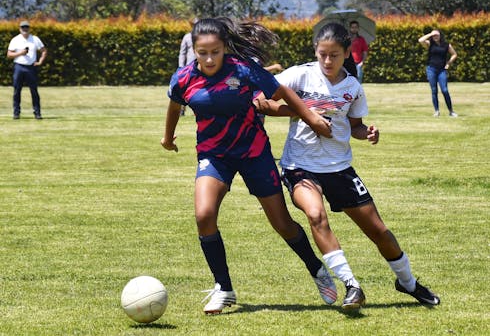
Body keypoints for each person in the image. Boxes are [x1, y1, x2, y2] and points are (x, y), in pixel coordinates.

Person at [255, 22, 440, 307]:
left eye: (334, 55)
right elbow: (263, 100)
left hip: (340, 168)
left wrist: (367, 133)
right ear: (315, 51)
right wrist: (307, 113)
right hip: (299, 166)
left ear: (346, 53)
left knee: (379, 231)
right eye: (322, 54)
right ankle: (351, 285)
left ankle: (408, 283)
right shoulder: (300, 75)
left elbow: (355, 126)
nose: (327, 61)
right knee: (315, 215)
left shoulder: (352, 87)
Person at [161, 17, 337, 314]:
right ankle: (224, 288)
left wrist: (311, 117)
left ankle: (316, 268)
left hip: (254, 153)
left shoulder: (243, 70)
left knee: (282, 224)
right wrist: (167, 138)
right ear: (194, 50)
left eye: (215, 51)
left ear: (224, 47)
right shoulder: (183, 78)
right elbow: (175, 106)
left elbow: (283, 94)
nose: (208, 58)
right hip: (214, 156)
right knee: (204, 215)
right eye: (202, 52)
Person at [7, 20, 47, 120]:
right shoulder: (15, 40)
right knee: (17, 91)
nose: (25, 29)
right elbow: (9, 54)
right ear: (20, 29)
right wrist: (20, 53)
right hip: (19, 67)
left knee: (34, 91)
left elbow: (44, 51)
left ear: (29, 29)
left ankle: (37, 113)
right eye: (23, 27)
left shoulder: (35, 39)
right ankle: (16, 113)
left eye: (26, 27)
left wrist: (40, 61)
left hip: (31, 67)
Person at [418, 29, 458, 117]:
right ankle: (436, 111)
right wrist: (430, 34)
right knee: (434, 90)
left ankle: (451, 111)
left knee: (445, 90)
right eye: (434, 36)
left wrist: (448, 63)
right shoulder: (429, 44)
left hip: (441, 70)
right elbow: (420, 40)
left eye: (437, 35)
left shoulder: (446, 45)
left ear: (440, 36)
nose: (435, 37)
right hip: (431, 69)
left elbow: (454, 54)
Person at [177, 18, 199, 116]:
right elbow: (182, 53)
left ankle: (198, 110)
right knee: (184, 89)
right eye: (194, 24)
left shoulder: (204, 37)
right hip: (188, 67)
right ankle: (182, 109)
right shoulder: (187, 37)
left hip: (201, 67)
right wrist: (181, 66)